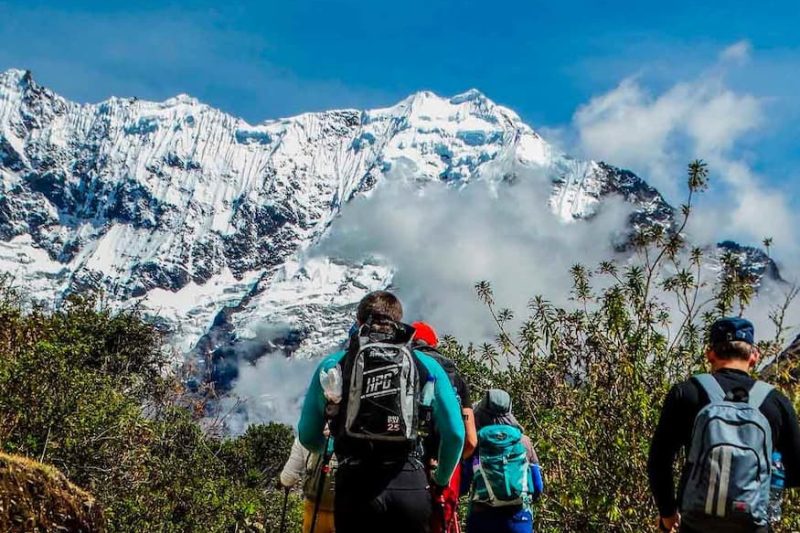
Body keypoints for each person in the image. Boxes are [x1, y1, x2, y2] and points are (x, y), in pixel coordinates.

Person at [298, 291, 465, 533]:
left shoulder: (334, 364)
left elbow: (307, 434)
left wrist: (334, 449)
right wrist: (440, 480)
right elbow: (456, 434)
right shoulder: (427, 367)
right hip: (409, 480)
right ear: (399, 322)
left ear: (358, 323)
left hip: (355, 486)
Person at [648, 317, 800, 533]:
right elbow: (796, 470)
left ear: (710, 354)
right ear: (754, 356)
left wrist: (668, 515)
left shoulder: (686, 393)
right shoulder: (776, 402)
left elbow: (659, 461)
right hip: (753, 524)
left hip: (696, 523)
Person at [412, 321, 479, 533]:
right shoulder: (453, 376)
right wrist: (447, 470)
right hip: (445, 471)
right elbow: (469, 441)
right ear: (435, 344)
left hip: (406, 469)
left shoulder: (405, 368)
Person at [462, 389, 544, 533]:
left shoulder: (476, 443)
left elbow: (463, 485)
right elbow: (537, 487)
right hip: (518, 520)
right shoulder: (523, 442)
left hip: (482, 520)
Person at [280, 435, 336, 533]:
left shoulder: (308, 436)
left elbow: (288, 478)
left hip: (315, 512)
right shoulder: (358, 436)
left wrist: (283, 482)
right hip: (348, 511)